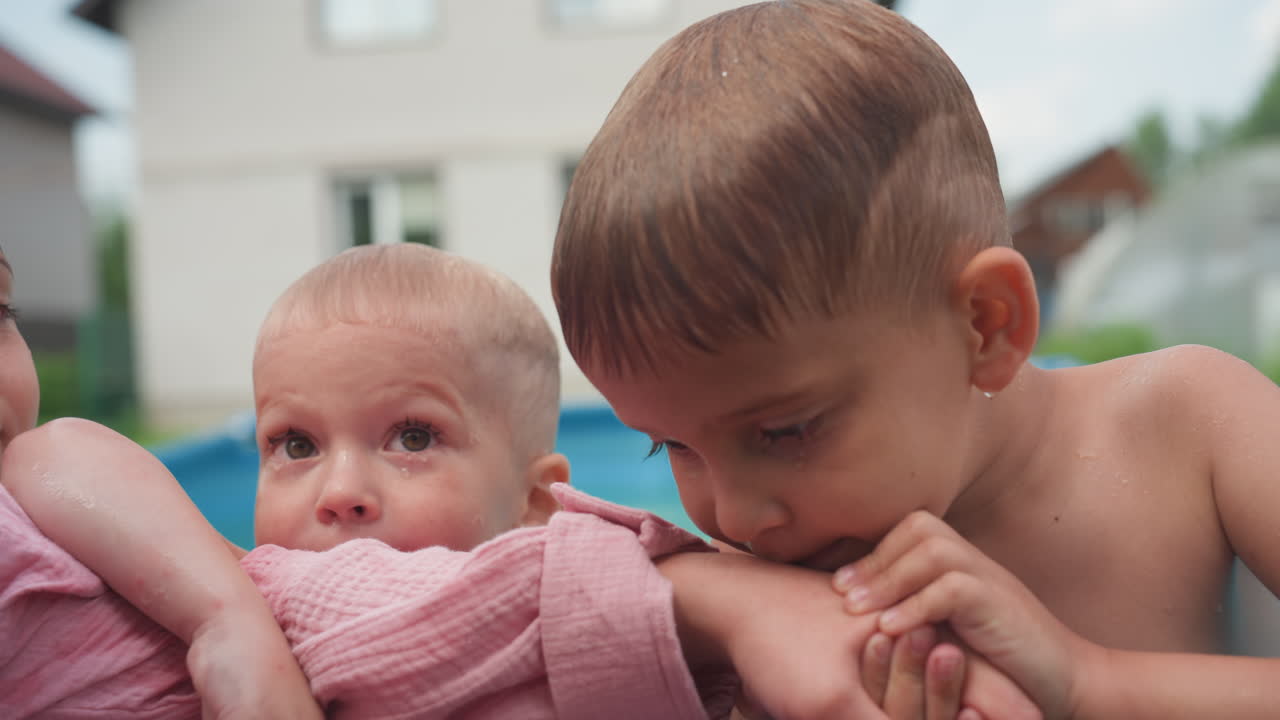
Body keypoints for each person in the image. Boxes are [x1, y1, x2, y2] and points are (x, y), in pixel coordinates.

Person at [550, 0, 1280, 717]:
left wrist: (1091, 683)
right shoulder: (770, 594)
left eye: (785, 431)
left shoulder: (1187, 422)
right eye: (671, 446)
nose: (733, 516)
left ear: (985, 324)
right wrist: (716, 608)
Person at [2, 244, 1032, 719]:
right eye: (295, 446)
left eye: (411, 436)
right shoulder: (269, 591)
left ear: (542, 501)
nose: (341, 490)